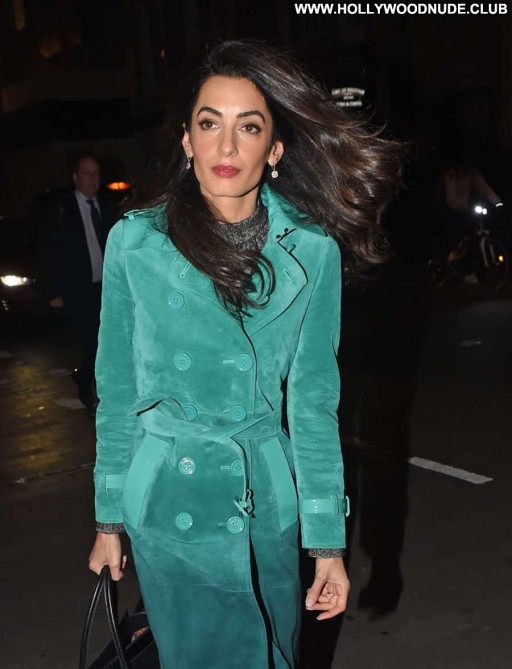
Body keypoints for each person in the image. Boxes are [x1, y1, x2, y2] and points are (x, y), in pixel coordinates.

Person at [88, 40, 400, 669]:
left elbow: (312, 407)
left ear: (275, 149)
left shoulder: (311, 253)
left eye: (249, 127)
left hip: (262, 504)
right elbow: (117, 391)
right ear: (187, 140)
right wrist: (108, 519)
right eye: (210, 124)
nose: (226, 146)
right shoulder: (135, 243)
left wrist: (327, 544)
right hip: (169, 501)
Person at [40, 155, 118, 406]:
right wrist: (53, 290)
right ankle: (89, 386)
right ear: (75, 177)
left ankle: (85, 377)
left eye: (96, 174)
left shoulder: (108, 206)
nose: (92, 179)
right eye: (86, 173)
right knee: (93, 339)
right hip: (78, 288)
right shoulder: (62, 210)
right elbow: (49, 251)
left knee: (108, 340)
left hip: (106, 287)